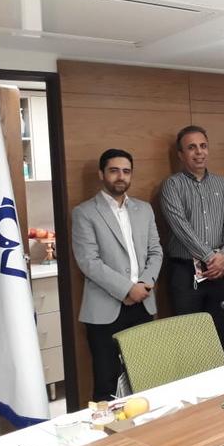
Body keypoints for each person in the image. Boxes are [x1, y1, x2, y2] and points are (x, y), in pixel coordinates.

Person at [72, 149, 163, 401]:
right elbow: (88, 262)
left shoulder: (144, 209)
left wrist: (144, 284)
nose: (121, 176)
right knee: (107, 382)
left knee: (145, 376)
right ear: (101, 174)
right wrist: (127, 289)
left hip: (143, 302)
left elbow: (156, 251)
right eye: (114, 171)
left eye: (126, 171)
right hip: (105, 309)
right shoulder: (84, 212)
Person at [161, 126, 224, 356]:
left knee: (220, 333)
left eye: (203, 146)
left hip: (220, 271)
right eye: (192, 147)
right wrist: (210, 257)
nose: (199, 152)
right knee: (190, 337)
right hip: (185, 273)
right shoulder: (172, 185)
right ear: (180, 154)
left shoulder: (222, 184)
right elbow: (180, 227)